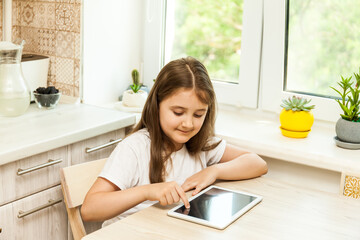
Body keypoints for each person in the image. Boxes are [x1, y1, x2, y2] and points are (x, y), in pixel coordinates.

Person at [81, 56, 268, 226]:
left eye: (198, 114)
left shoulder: (202, 144)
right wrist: (147, 191)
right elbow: (90, 209)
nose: (188, 123)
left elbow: (257, 163)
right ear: (157, 105)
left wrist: (214, 170)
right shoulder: (135, 148)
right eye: (178, 112)